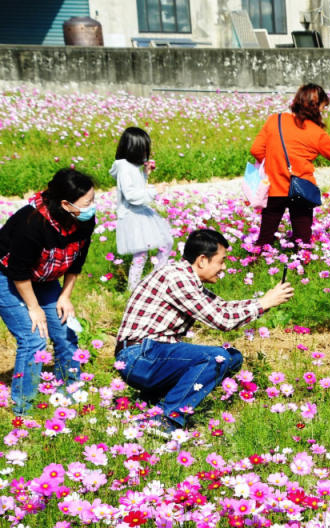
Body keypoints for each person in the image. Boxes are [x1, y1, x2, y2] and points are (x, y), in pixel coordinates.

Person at [114, 228, 293, 432]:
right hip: (138, 357)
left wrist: (264, 302)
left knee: (232, 357)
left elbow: (222, 307)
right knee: (216, 358)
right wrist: (262, 303)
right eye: (221, 261)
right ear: (202, 260)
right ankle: (166, 418)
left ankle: (155, 399)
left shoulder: (186, 278)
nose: (223, 267)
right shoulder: (177, 278)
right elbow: (222, 321)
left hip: (151, 354)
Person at [0, 168, 96, 414]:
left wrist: (65, 296)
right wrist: (34, 308)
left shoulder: (84, 220)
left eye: (92, 200)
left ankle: (70, 391)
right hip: (8, 276)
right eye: (87, 203)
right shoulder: (31, 223)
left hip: (43, 277)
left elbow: (77, 260)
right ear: (65, 204)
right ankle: (25, 407)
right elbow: (18, 271)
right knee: (34, 338)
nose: (92, 207)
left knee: (65, 330)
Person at [250, 83, 330, 248]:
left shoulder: (275, 120)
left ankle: (255, 264)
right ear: (315, 106)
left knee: (264, 238)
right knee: (302, 242)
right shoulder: (317, 133)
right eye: (322, 107)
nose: (322, 111)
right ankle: (300, 268)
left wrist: (274, 164)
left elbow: (256, 149)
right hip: (301, 189)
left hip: (274, 188)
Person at [110, 126, 174, 292]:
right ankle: (135, 290)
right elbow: (131, 195)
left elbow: (135, 186)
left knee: (165, 243)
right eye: (144, 150)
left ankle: (155, 281)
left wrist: (145, 174)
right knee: (141, 254)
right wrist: (155, 190)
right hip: (133, 215)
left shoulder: (129, 166)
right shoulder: (124, 168)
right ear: (134, 149)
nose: (147, 153)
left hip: (139, 213)